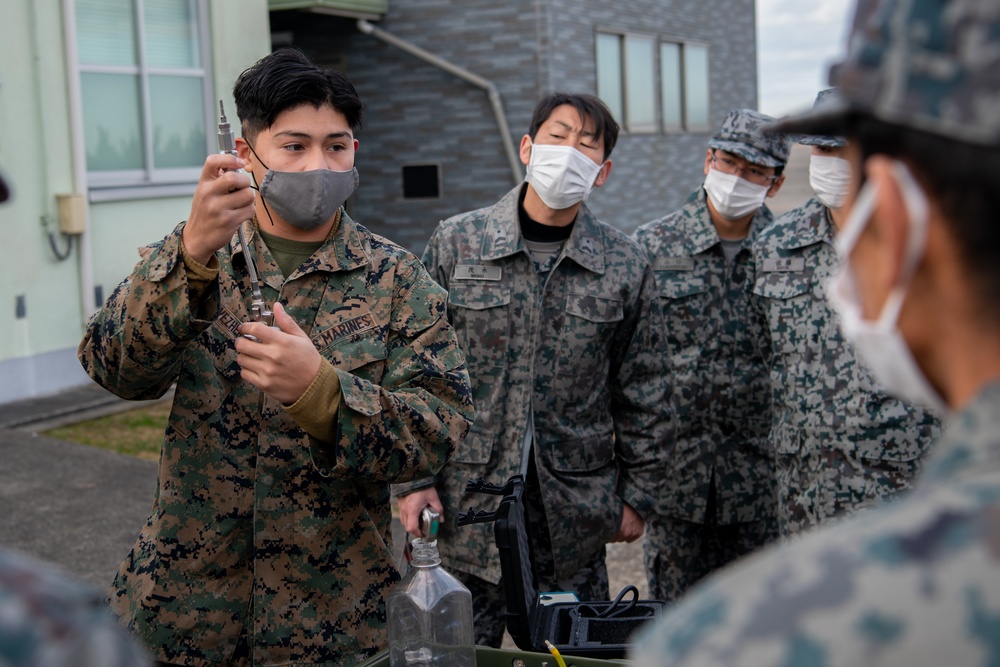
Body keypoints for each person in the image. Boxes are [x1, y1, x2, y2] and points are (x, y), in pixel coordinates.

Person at [630, 0, 1000, 663]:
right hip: (789, 501)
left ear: (894, 216)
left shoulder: (739, 638)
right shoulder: (740, 248)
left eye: (848, 163)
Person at [77, 48, 474, 666]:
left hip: (334, 625)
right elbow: (114, 369)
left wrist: (320, 392)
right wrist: (190, 254)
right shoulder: (195, 256)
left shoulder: (399, 280)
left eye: (336, 146)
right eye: (294, 146)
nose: (319, 165)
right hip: (183, 616)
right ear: (244, 153)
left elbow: (437, 432)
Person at [394, 92, 671, 646]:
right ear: (527, 146)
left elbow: (646, 389)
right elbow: (413, 369)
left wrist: (638, 494)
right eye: (557, 136)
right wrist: (413, 480)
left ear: (603, 172)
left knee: (571, 655)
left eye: (586, 145)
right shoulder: (457, 242)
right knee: (456, 656)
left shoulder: (624, 264)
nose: (569, 153)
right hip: (465, 511)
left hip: (574, 515)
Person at [750, 89, 940, 536]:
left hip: (897, 484)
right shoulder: (777, 243)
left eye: (842, 149)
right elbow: (766, 351)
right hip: (805, 487)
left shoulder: (918, 243)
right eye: (821, 149)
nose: (830, 160)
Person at [631, 109, 788, 602]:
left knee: (765, 633)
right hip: (676, 489)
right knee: (677, 632)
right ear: (708, 160)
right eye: (729, 162)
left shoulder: (790, 252)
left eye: (754, 171)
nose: (736, 179)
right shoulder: (650, 247)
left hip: (763, 488)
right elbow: (627, 370)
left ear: (776, 184)